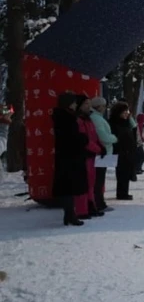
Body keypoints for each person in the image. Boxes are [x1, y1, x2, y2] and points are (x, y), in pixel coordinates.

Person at [52, 93, 88, 226]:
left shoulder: (63, 116)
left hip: (66, 156)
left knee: (67, 188)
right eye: (73, 102)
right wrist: (83, 138)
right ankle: (70, 214)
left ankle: (69, 214)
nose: (75, 104)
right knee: (69, 188)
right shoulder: (67, 118)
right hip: (70, 157)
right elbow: (72, 137)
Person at [75, 95, 105, 218]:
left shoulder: (89, 119)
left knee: (91, 182)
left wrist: (100, 146)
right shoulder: (79, 120)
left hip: (92, 155)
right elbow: (84, 139)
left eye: (89, 104)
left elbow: (94, 136)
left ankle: (91, 205)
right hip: (84, 155)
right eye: (86, 104)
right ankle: (82, 209)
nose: (88, 106)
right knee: (84, 183)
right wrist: (97, 148)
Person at [89, 97, 118, 213]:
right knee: (99, 179)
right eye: (104, 106)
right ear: (100, 107)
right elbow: (103, 136)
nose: (105, 108)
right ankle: (99, 203)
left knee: (99, 179)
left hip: (102, 152)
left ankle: (99, 202)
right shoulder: (97, 119)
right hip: (102, 152)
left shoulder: (97, 118)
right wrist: (114, 138)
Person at [109, 101, 137, 201]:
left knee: (126, 172)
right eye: (125, 111)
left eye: (127, 111)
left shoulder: (126, 122)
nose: (127, 113)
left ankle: (124, 192)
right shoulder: (114, 123)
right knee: (122, 173)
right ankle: (121, 193)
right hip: (121, 151)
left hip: (128, 151)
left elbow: (134, 128)